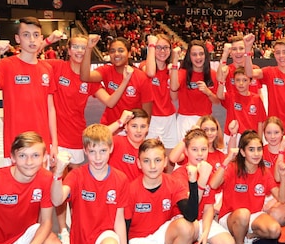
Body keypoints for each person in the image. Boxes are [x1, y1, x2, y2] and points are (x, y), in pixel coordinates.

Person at [47, 34, 133, 244]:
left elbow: (112, 101)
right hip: (55, 138)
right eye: (75, 46)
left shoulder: (90, 81)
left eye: (83, 48)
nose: (78, 50)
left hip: (77, 138)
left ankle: (78, 227)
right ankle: (62, 230)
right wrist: (48, 40)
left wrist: (124, 81)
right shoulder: (56, 67)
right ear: (68, 48)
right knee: (57, 186)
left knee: (76, 187)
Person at [51, 124, 135, 244]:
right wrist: (58, 173)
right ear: (85, 151)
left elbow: (119, 220)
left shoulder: (120, 179)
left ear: (111, 149)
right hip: (82, 239)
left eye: (103, 151)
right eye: (92, 151)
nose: (98, 157)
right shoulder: (77, 176)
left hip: (106, 233)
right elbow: (57, 200)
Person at [0, 17, 58, 164]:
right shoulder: (6, 65)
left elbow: (50, 108)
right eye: (26, 35)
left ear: (41, 38)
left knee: (41, 186)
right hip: (16, 143)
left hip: (41, 142)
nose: (32, 40)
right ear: (18, 38)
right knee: (16, 186)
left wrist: (54, 143)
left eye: (35, 35)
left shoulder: (47, 68)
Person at [127, 138, 200, 244]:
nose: (153, 166)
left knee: (189, 226)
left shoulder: (172, 183)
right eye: (147, 161)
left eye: (158, 160)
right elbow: (122, 229)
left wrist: (193, 182)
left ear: (165, 162)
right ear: (139, 163)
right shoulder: (130, 190)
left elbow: (191, 215)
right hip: (139, 239)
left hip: (161, 234)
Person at [209, 130, 284, 244]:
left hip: (253, 215)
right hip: (230, 216)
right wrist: (226, 160)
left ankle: (247, 237)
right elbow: (213, 184)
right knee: (243, 213)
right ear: (243, 152)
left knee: (275, 230)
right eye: (251, 149)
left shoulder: (264, 172)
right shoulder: (232, 168)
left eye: (259, 149)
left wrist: (284, 176)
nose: (256, 154)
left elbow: (282, 197)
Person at [172, 128, 236, 244]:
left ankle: (197, 242)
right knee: (191, 225)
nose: (200, 154)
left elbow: (208, 208)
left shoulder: (210, 171)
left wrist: (206, 233)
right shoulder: (179, 175)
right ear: (186, 152)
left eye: (203, 149)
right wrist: (202, 179)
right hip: (184, 221)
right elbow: (190, 210)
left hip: (201, 220)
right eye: (194, 149)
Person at [81, 34, 153, 127]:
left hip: (131, 130)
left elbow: (147, 113)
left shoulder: (141, 77)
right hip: (110, 127)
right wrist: (88, 49)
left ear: (129, 53)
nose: (116, 54)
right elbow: (85, 77)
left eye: (121, 50)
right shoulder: (106, 71)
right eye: (112, 51)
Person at [140, 34, 180, 172]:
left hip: (169, 118)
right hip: (152, 119)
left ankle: (169, 190)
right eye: (158, 47)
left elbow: (174, 95)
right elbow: (151, 72)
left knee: (170, 161)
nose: (162, 51)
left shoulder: (171, 69)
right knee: (150, 158)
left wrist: (174, 64)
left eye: (165, 48)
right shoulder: (145, 66)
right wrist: (151, 45)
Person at [170, 40, 220, 139]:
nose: (198, 57)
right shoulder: (183, 73)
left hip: (205, 120)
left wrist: (208, 92)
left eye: (201, 54)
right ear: (189, 56)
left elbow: (217, 101)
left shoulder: (212, 74)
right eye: (194, 54)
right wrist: (175, 61)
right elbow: (174, 87)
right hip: (185, 120)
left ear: (205, 55)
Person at [217, 66, 266, 138]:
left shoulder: (257, 99)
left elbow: (260, 122)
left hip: (250, 137)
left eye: (245, 80)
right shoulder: (231, 95)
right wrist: (222, 79)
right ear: (234, 81)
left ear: (251, 81)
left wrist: (259, 140)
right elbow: (219, 95)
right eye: (238, 80)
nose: (241, 83)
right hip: (232, 136)